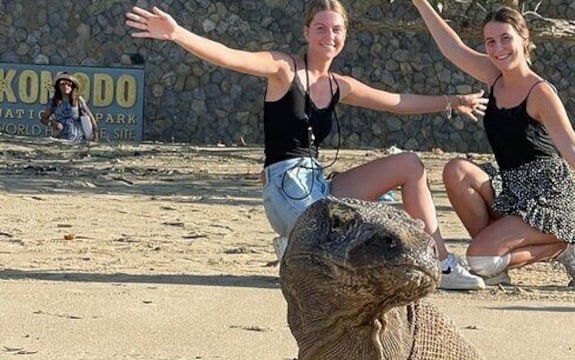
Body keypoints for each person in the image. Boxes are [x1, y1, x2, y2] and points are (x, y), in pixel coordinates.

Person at [125, 2, 488, 290]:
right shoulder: (284, 69)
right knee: (351, 245)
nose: (328, 36)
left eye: (336, 29)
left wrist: (453, 101)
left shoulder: (337, 84)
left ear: (345, 35)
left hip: (319, 185)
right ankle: (300, 247)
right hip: (287, 190)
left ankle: (439, 262)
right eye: (320, 28)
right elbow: (228, 55)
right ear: (306, 31)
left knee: (409, 165)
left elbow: (396, 101)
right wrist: (177, 34)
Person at [409, 2, 575, 288]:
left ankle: (567, 243)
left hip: (549, 197)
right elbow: (452, 48)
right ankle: (496, 259)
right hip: (511, 189)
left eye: (506, 38)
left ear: (524, 38)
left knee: (478, 259)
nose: (498, 48)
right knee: (456, 170)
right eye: (490, 42)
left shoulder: (539, 92)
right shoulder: (494, 76)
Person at [39, 72, 98, 144]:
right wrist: (53, 123)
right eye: (62, 84)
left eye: (69, 84)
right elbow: (43, 119)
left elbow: (92, 119)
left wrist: (95, 137)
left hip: (78, 139)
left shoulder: (78, 100)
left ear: (72, 87)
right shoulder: (54, 102)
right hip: (60, 138)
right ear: (58, 86)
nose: (65, 86)